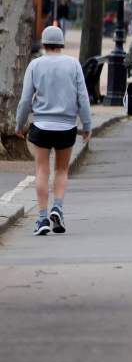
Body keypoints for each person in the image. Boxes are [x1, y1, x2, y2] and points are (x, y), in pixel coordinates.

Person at [15, 26, 92, 236]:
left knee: (41, 170)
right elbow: (83, 98)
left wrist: (19, 123)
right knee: (61, 170)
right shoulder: (73, 64)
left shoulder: (35, 65)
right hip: (67, 126)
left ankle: (42, 219)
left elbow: (24, 100)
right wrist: (87, 124)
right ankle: (57, 207)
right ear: (61, 44)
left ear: (44, 43)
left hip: (41, 126)